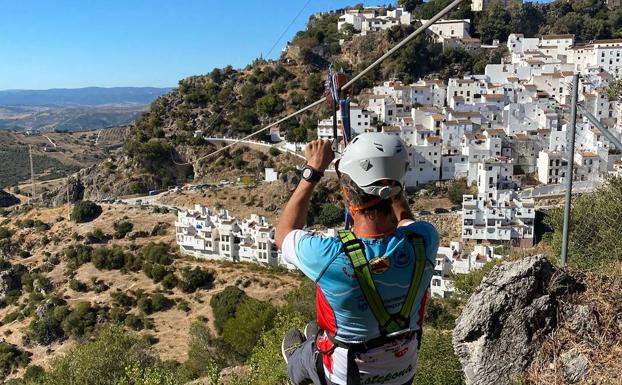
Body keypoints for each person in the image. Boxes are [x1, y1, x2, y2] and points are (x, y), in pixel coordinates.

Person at [275, 133, 439, 385]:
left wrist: (313, 170)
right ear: (397, 186)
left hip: (347, 374)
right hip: (402, 369)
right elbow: (406, 218)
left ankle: (301, 363)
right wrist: (391, 185)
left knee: (305, 356)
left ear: (348, 195)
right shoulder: (424, 241)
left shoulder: (330, 257)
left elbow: (284, 234)